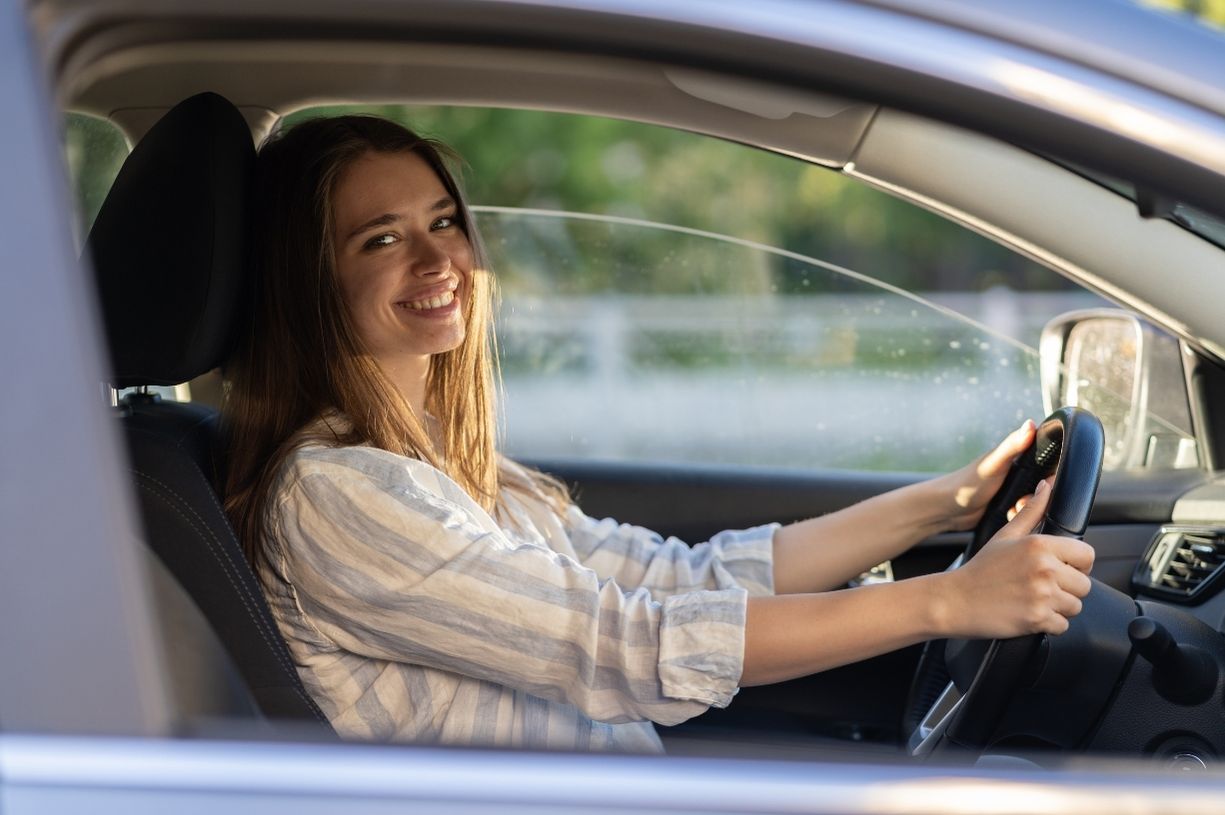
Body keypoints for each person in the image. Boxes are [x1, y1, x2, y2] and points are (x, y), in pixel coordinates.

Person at [223, 115, 1094, 752]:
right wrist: (946, 601)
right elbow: (626, 646)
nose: (437, 259)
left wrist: (947, 500)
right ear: (311, 281)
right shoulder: (337, 494)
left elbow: (682, 578)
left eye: (443, 221)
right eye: (382, 239)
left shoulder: (438, 458)